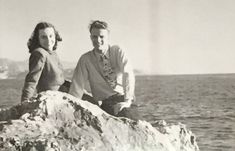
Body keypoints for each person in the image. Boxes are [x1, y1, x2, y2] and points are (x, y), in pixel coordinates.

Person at [69, 20, 138, 119]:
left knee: (133, 120)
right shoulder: (85, 59)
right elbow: (77, 86)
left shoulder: (117, 51)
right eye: (94, 37)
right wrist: (71, 108)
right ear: (90, 37)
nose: (98, 40)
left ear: (108, 37)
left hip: (125, 97)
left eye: (101, 37)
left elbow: (128, 74)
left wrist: (127, 101)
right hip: (107, 103)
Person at [21, 22, 68, 102]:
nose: (48, 40)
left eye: (51, 36)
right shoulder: (39, 53)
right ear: (38, 39)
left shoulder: (53, 53)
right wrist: (24, 103)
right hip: (51, 100)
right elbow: (31, 81)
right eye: (43, 37)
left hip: (62, 96)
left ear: (55, 36)